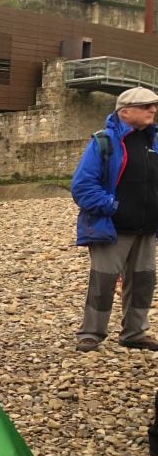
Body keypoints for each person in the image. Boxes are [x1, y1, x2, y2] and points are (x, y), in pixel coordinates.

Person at [71, 85, 158, 353]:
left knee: (143, 282)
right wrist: (113, 207)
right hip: (111, 229)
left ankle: (134, 333)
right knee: (103, 283)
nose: (153, 110)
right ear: (125, 111)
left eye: (154, 106)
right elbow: (82, 187)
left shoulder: (154, 141)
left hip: (147, 229)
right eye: (146, 106)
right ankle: (91, 334)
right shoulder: (103, 142)